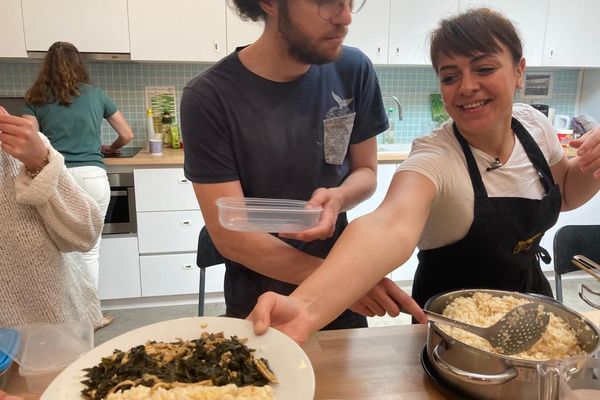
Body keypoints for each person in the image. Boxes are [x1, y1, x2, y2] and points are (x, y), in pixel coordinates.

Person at [248, 7, 600, 343]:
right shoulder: (435, 157)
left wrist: (595, 166)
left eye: (484, 68)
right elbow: (387, 225)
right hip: (459, 330)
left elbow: (566, 191)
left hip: (531, 305)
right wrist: (305, 308)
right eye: (450, 76)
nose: (466, 87)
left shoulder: (534, 126)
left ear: (519, 71)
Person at [180, 0, 419, 330]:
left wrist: (338, 198)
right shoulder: (209, 96)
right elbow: (230, 235)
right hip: (262, 304)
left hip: (343, 300)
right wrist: (338, 281)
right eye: (326, 1)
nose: (346, 16)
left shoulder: (353, 70)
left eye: (351, 1)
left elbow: (366, 173)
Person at [21, 41, 134, 290]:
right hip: (93, 177)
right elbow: (127, 134)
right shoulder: (96, 94)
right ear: (79, 65)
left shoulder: (35, 98)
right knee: (90, 250)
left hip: (56, 179)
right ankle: (91, 317)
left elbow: (29, 138)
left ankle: (68, 317)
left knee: (60, 250)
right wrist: (112, 147)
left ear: (46, 67)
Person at [0, 107, 106, 329]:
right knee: (92, 256)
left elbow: (84, 235)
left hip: (52, 338)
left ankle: (92, 319)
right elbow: (126, 134)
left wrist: (40, 161)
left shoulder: (18, 143)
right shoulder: (94, 96)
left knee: (88, 252)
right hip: (93, 172)